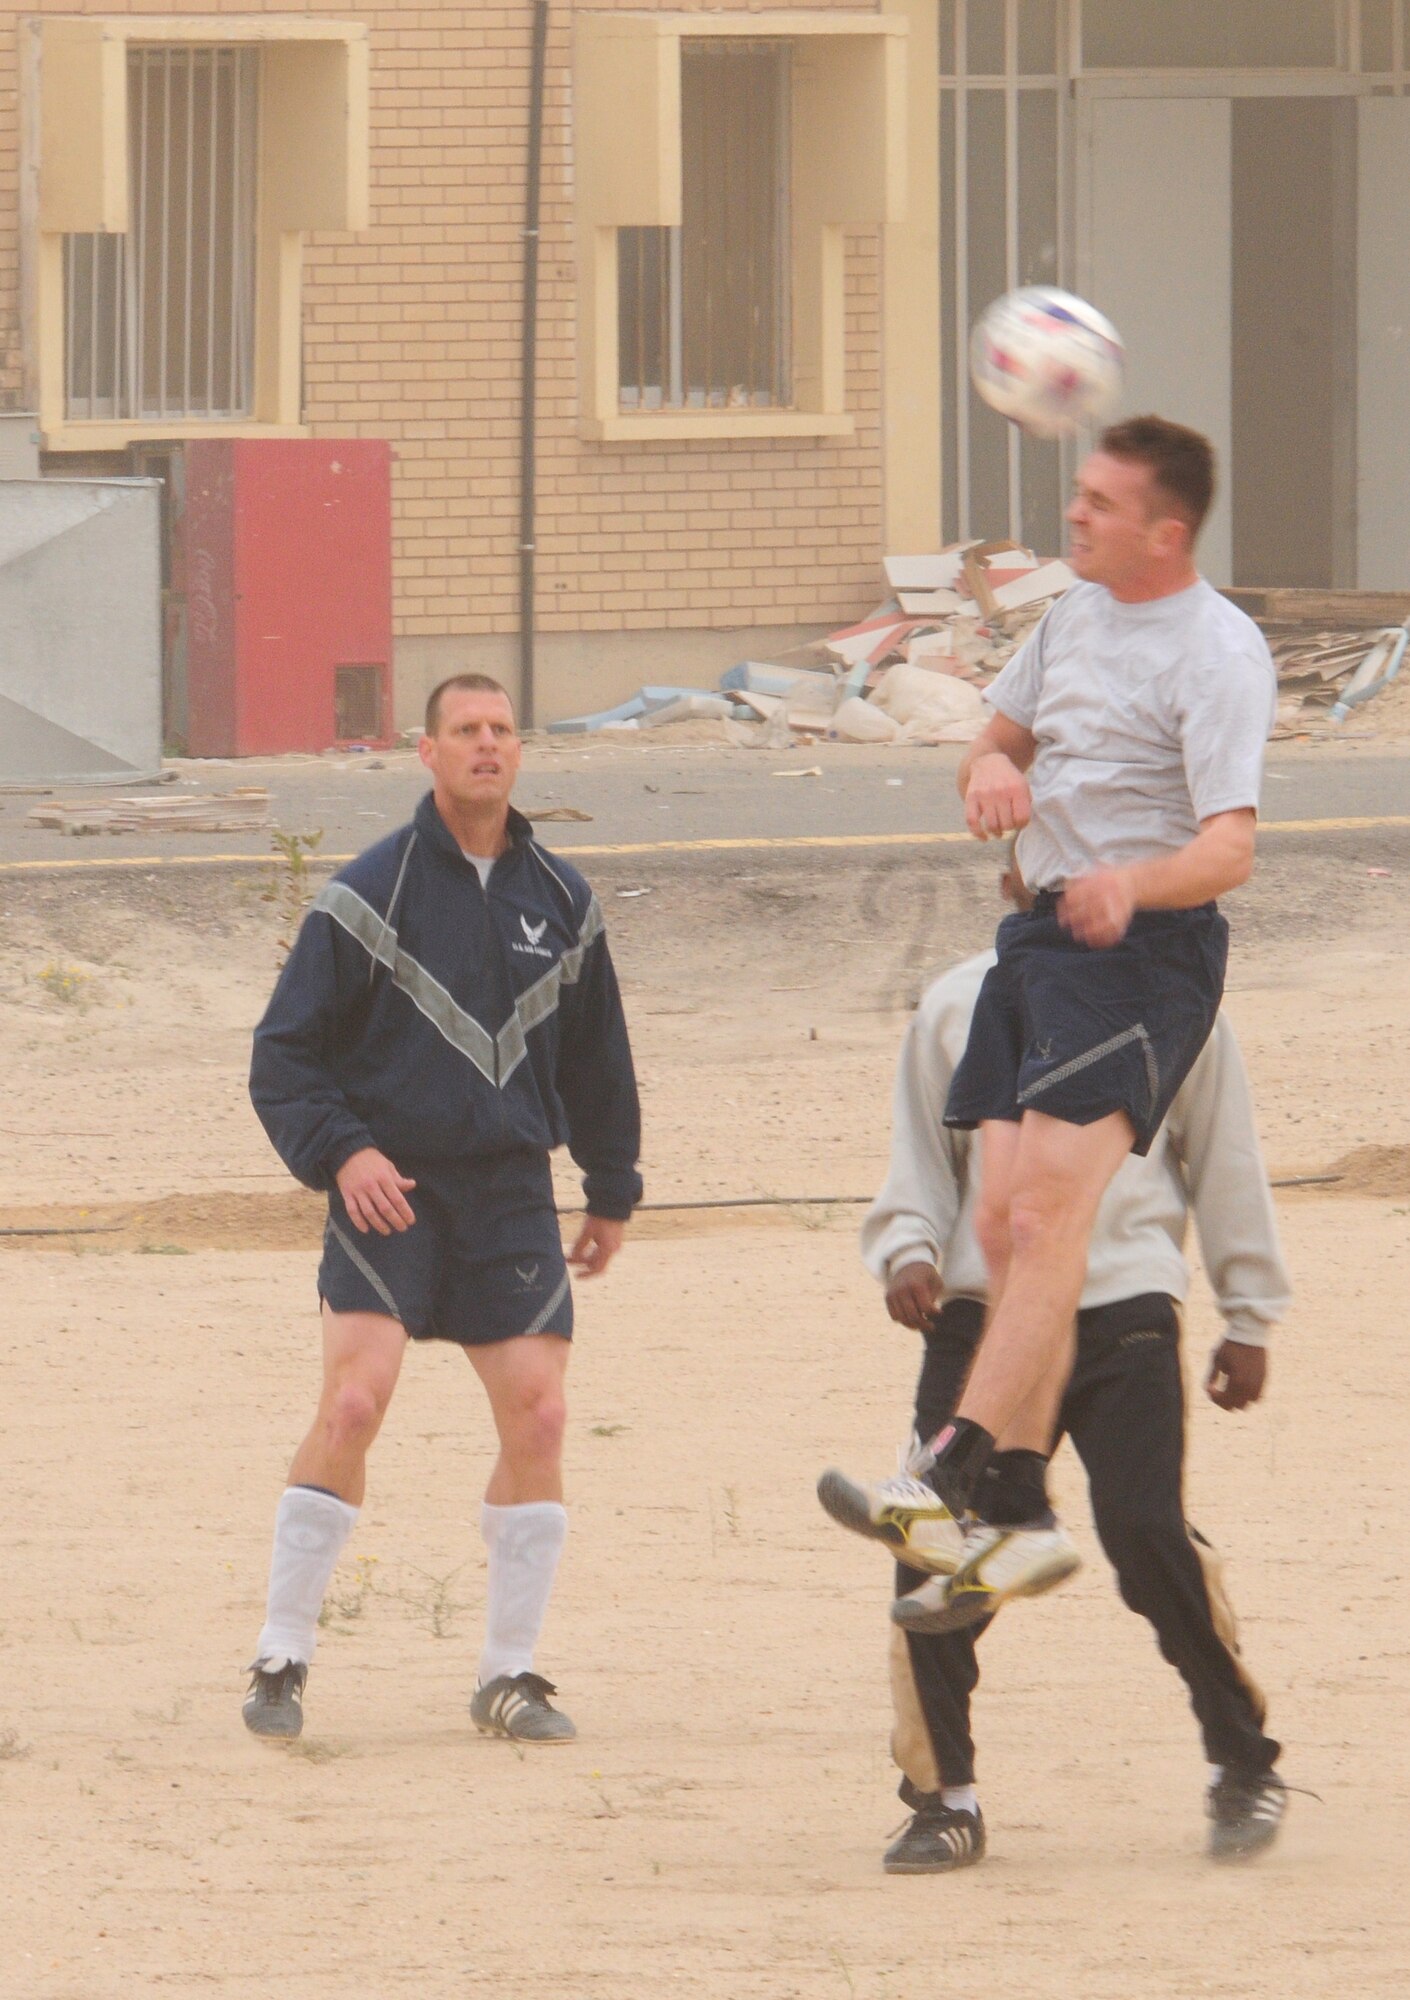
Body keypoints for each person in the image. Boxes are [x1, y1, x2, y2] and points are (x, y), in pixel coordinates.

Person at [908, 417, 1278, 1628]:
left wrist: (1133, 881)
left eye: (1100, 504)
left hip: (1142, 955)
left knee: (1044, 1213)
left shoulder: (1217, 650)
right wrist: (988, 778)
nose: (1074, 518)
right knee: (1004, 1232)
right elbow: (995, 741)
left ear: (1164, 532)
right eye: (1079, 495)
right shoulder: (1069, 618)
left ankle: (953, 1463)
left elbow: (1231, 843)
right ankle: (1020, 1503)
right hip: (1042, 942)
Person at [817, 950, 1291, 1869]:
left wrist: (1250, 1310)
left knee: (1144, 1533)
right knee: (931, 1551)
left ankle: (1242, 1760)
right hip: (983, 1321)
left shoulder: (1175, 998)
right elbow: (921, 1154)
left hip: (1127, 1306)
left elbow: (1224, 1150)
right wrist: (909, 1249)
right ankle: (943, 1798)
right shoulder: (958, 1004)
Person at [243, 673, 641, 1744]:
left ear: (521, 750)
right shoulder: (367, 895)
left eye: (502, 730)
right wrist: (345, 1151)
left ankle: (510, 1674)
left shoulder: (562, 900)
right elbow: (282, 1060)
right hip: (391, 1188)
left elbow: (603, 1058)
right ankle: (283, 1652)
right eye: (464, 730)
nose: (485, 746)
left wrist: (612, 1187)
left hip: (512, 1188)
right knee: (355, 1404)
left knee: (545, 1413)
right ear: (426, 750)